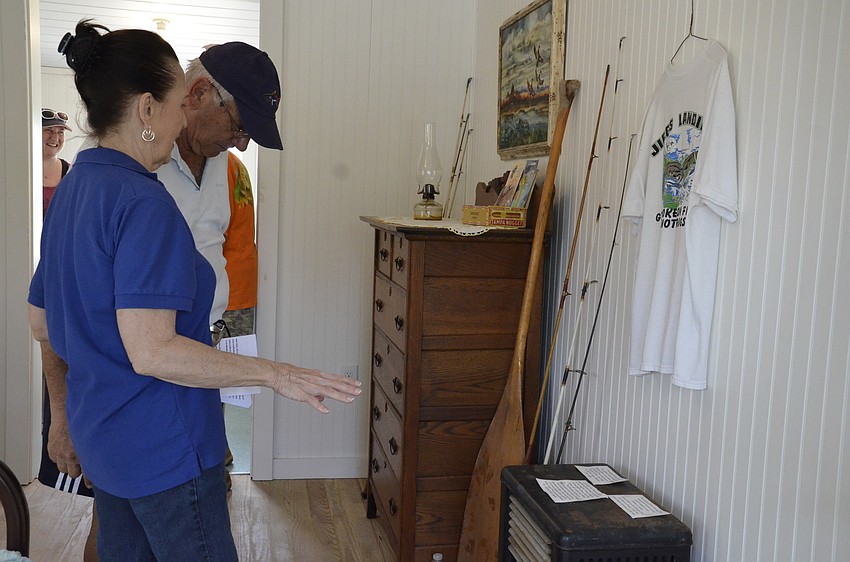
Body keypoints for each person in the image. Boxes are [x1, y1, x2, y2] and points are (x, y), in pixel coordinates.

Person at [28, 20, 361, 561]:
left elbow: (40, 319)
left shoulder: (75, 186)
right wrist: (279, 375)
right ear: (146, 110)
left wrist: (67, 414)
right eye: (179, 103)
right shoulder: (144, 202)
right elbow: (153, 349)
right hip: (165, 443)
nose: (184, 115)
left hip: (107, 436)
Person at [41, 108, 72, 215]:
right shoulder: (15, 171)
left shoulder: (71, 172)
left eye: (60, 132)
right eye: (48, 130)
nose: (55, 137)